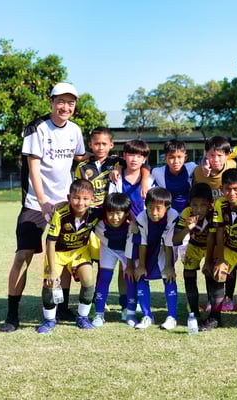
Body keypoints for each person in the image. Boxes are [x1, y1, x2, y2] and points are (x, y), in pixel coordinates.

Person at [1, 82, 87, 333]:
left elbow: (80, 157)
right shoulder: (36, 128)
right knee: (23, 255)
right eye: (61, 101)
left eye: (70, 103)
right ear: (51, 101)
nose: (66, 107)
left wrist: (111, 161)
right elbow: (33, 168)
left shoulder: (75, 130)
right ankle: (12, 314)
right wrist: (42, 202)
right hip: (36, 204)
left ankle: (62, 307)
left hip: (66, 203)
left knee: (66, 254)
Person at [77, 127, 150, 322]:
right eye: (97, 144)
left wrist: (144, 180)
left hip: (133, 232)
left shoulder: (126, 168)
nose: (134, 159)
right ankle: (97, 310)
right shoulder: (112, 172)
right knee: (103, 271)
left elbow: (144, 166)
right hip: (107, 226)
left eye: (104, 144)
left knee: (128, 272)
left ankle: (128, 308)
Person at [37, 179, 102, 333]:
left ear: (92, 199)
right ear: (69, 198)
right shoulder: (60, 214)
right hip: (58, 253)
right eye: (76, 198)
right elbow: (50, 242)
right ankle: (49, 319)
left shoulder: (95, 213)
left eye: (85, 199)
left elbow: (118, 208)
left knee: (88, 279)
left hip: (79, 252)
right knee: (50, 283)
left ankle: (82, 317)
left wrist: (133, 221)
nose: (81, 202)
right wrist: (52, 270)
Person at [108, 139, 155, 326]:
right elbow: (112, 202)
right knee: (124, 268)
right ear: (124, 156)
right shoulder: (116, 177)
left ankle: (142, 306)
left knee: (140, 267)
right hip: (122, 229)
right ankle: (125, 306)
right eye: (131, 155)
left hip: (142, 230)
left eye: (139, 155)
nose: (134, 159)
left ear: (144, 159)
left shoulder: (150, 179)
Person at [202, 168, 237, 331]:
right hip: (231, 248)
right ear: (221, 189)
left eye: (235, 189)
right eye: (228, 189)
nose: (232, 193)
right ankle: (215, 317)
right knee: (217, 273)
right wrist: (219, 259)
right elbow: (219, 232)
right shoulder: (220, 204)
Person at [193, 136, 237, 312]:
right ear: (206, 154)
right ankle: (212, 299)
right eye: (212, 155)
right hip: (209, 225)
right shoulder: (199, 172)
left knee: (230, 263)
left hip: (229, 224)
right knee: (210, 261)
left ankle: (228, 298)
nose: (216, 159)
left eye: (220, 155)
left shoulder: (233, 166)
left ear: (227, 155)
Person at [126, 187, 179, 330]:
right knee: (141, 275)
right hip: (146, 249)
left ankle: (172, 317)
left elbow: (168, 242)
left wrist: (169, 266)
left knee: (168, 276)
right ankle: (147, 316)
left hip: (163, 249)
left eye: (158, 209)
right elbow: (142, 243)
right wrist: (141, 266)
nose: (154, 213)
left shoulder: (173, 215)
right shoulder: (142, 217)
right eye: (150, 208)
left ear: (167, 207)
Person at [173, 183, 214, 322]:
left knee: (210, 274)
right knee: (188, 274)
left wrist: (208, 261)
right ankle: (194, 312)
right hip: (194, 246)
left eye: (203, 205)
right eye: (194, 205)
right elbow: (176, 240)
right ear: (189, 203)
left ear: (210, 204)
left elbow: (215, 238)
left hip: (212, 247)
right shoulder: (186, 213)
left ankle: (212, 309)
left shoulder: (215, 213)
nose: (198, 209)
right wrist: (187, 229)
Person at [91, 193, 134, 327]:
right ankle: (99, 313)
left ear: (127, 213)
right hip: (108, 249)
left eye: (118, 213)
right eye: (110, 213)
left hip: (126, 250)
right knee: (104, 277)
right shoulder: (97, 219)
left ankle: (128, 311)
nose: (114, 218)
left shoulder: (132, 225)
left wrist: (130, 265)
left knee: (129, 277)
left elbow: (132, 245)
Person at [152, 139, 197, 214]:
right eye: (171, 157)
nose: (176, 161)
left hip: (189, 212)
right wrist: (144, 181)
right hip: (169, 214)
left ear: (185, 158)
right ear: (165, 158)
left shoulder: (191, 167)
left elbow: (204, 164)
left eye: (179, 157)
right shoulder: (158, 172)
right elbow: (145, 168)